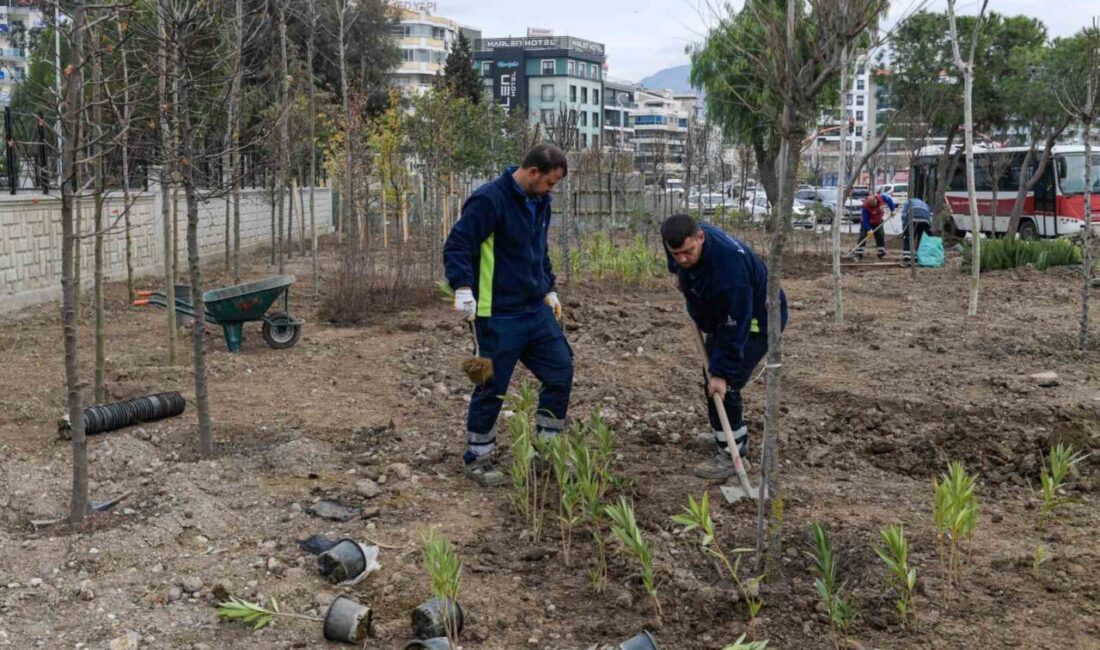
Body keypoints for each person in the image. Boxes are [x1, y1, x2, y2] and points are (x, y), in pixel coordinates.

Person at [443, 144, 573, 487]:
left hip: (534, 309)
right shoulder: (490, 200)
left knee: (560, 370)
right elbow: (458, 243)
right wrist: (462, 287)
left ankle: (546, 451)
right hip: (496, 314)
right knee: (490, 385)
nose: (551, 190)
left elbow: (538, 248)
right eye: (549, 182)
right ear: (533, 173)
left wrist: (548, 287)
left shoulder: (540, 201)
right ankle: (478, 458)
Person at [661, 214, 789, 479]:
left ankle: (733, 454)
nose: (683, 259)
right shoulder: (681, 238)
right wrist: (677, 273)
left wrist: (722, 372)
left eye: (688, 252)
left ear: (701, 238)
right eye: (677, 254)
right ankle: (724, 436)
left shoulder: (730, 272)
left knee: (726, 383)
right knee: (711, 378)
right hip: (724, 316)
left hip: (756, 321)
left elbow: (735, 328)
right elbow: (677, 256)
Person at [850, 192, 897, 260]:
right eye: (871, 206)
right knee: (863, 237)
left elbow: (889, 200)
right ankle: (858, 254)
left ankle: (881, 253)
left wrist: (892, 210)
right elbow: (865, 220)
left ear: (876, 200)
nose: (873, 207)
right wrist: (869, 229)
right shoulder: (865, 207)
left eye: (874, 205)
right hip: (867, 223)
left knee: (880, 235)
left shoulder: (881, 197)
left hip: (878, 221)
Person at [900, 197, 933, 265]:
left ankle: (907, 257)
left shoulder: (908, 202)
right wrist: (928, 228)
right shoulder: (924, 204)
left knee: (908, 237)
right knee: (921, 238)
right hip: (925, 221)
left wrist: (904, 229)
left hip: (912, 218)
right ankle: (919, 257)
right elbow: (928, 215)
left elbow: (904, 215)